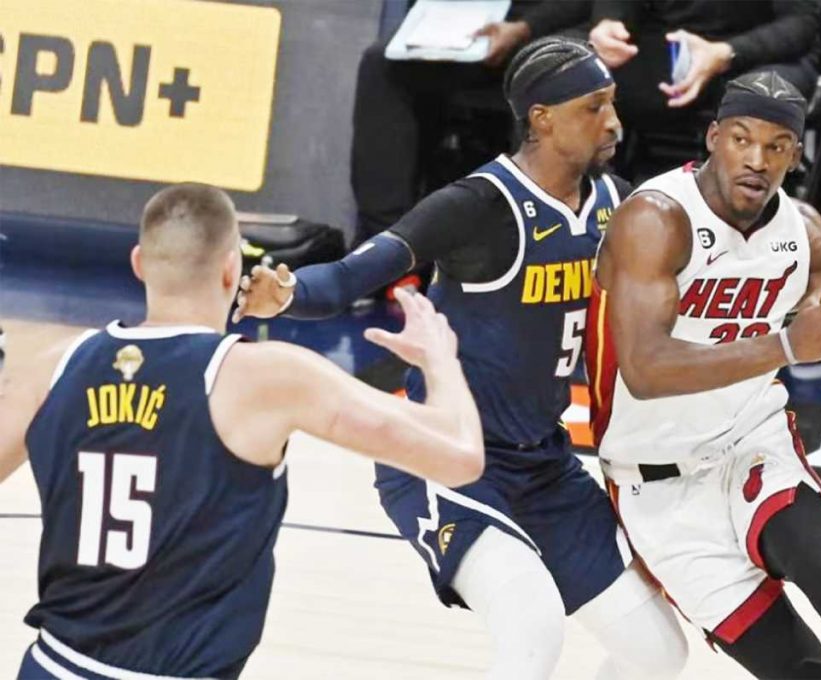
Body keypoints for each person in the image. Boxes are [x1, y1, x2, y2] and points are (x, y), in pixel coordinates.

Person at [235, 37, 690, 680]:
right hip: (443, 455)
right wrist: (285, 295)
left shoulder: (618, 204)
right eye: (594, 107)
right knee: (531, 626)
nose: (613, 121)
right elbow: (346, 278)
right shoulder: (479, 205)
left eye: (612, 103)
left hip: (544, 465)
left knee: (659, 653)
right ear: (542, 117)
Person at [0, 183, 485, 679]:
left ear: (140, 263)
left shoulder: (56, 365)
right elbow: (460, 455)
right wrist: (440, 361)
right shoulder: (266, 378)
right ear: (232, 269)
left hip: (51, 666)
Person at [587, 72, 821, 679]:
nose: (757, 160)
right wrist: (785, 345)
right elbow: (646, 370)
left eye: (777, 145)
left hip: (751, 445)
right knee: (802, 670)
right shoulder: (655, 218)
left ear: (795, 155)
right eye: (742, 140)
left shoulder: (805, 234)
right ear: (713, 137)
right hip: (656, 486)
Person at [352, 0, 592, 244]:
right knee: (381, 65)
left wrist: (524, 27)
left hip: (555, 26)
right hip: (471, 21)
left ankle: (535, 240)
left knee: (546, 72)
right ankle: (388, 243)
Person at [587, 0, 819, 132]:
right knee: (574, 75)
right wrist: (609, 21)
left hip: (758, 51)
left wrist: (725, 53)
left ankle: (750, 213)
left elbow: (801, 23)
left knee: (761, 100)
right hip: (671, 42)